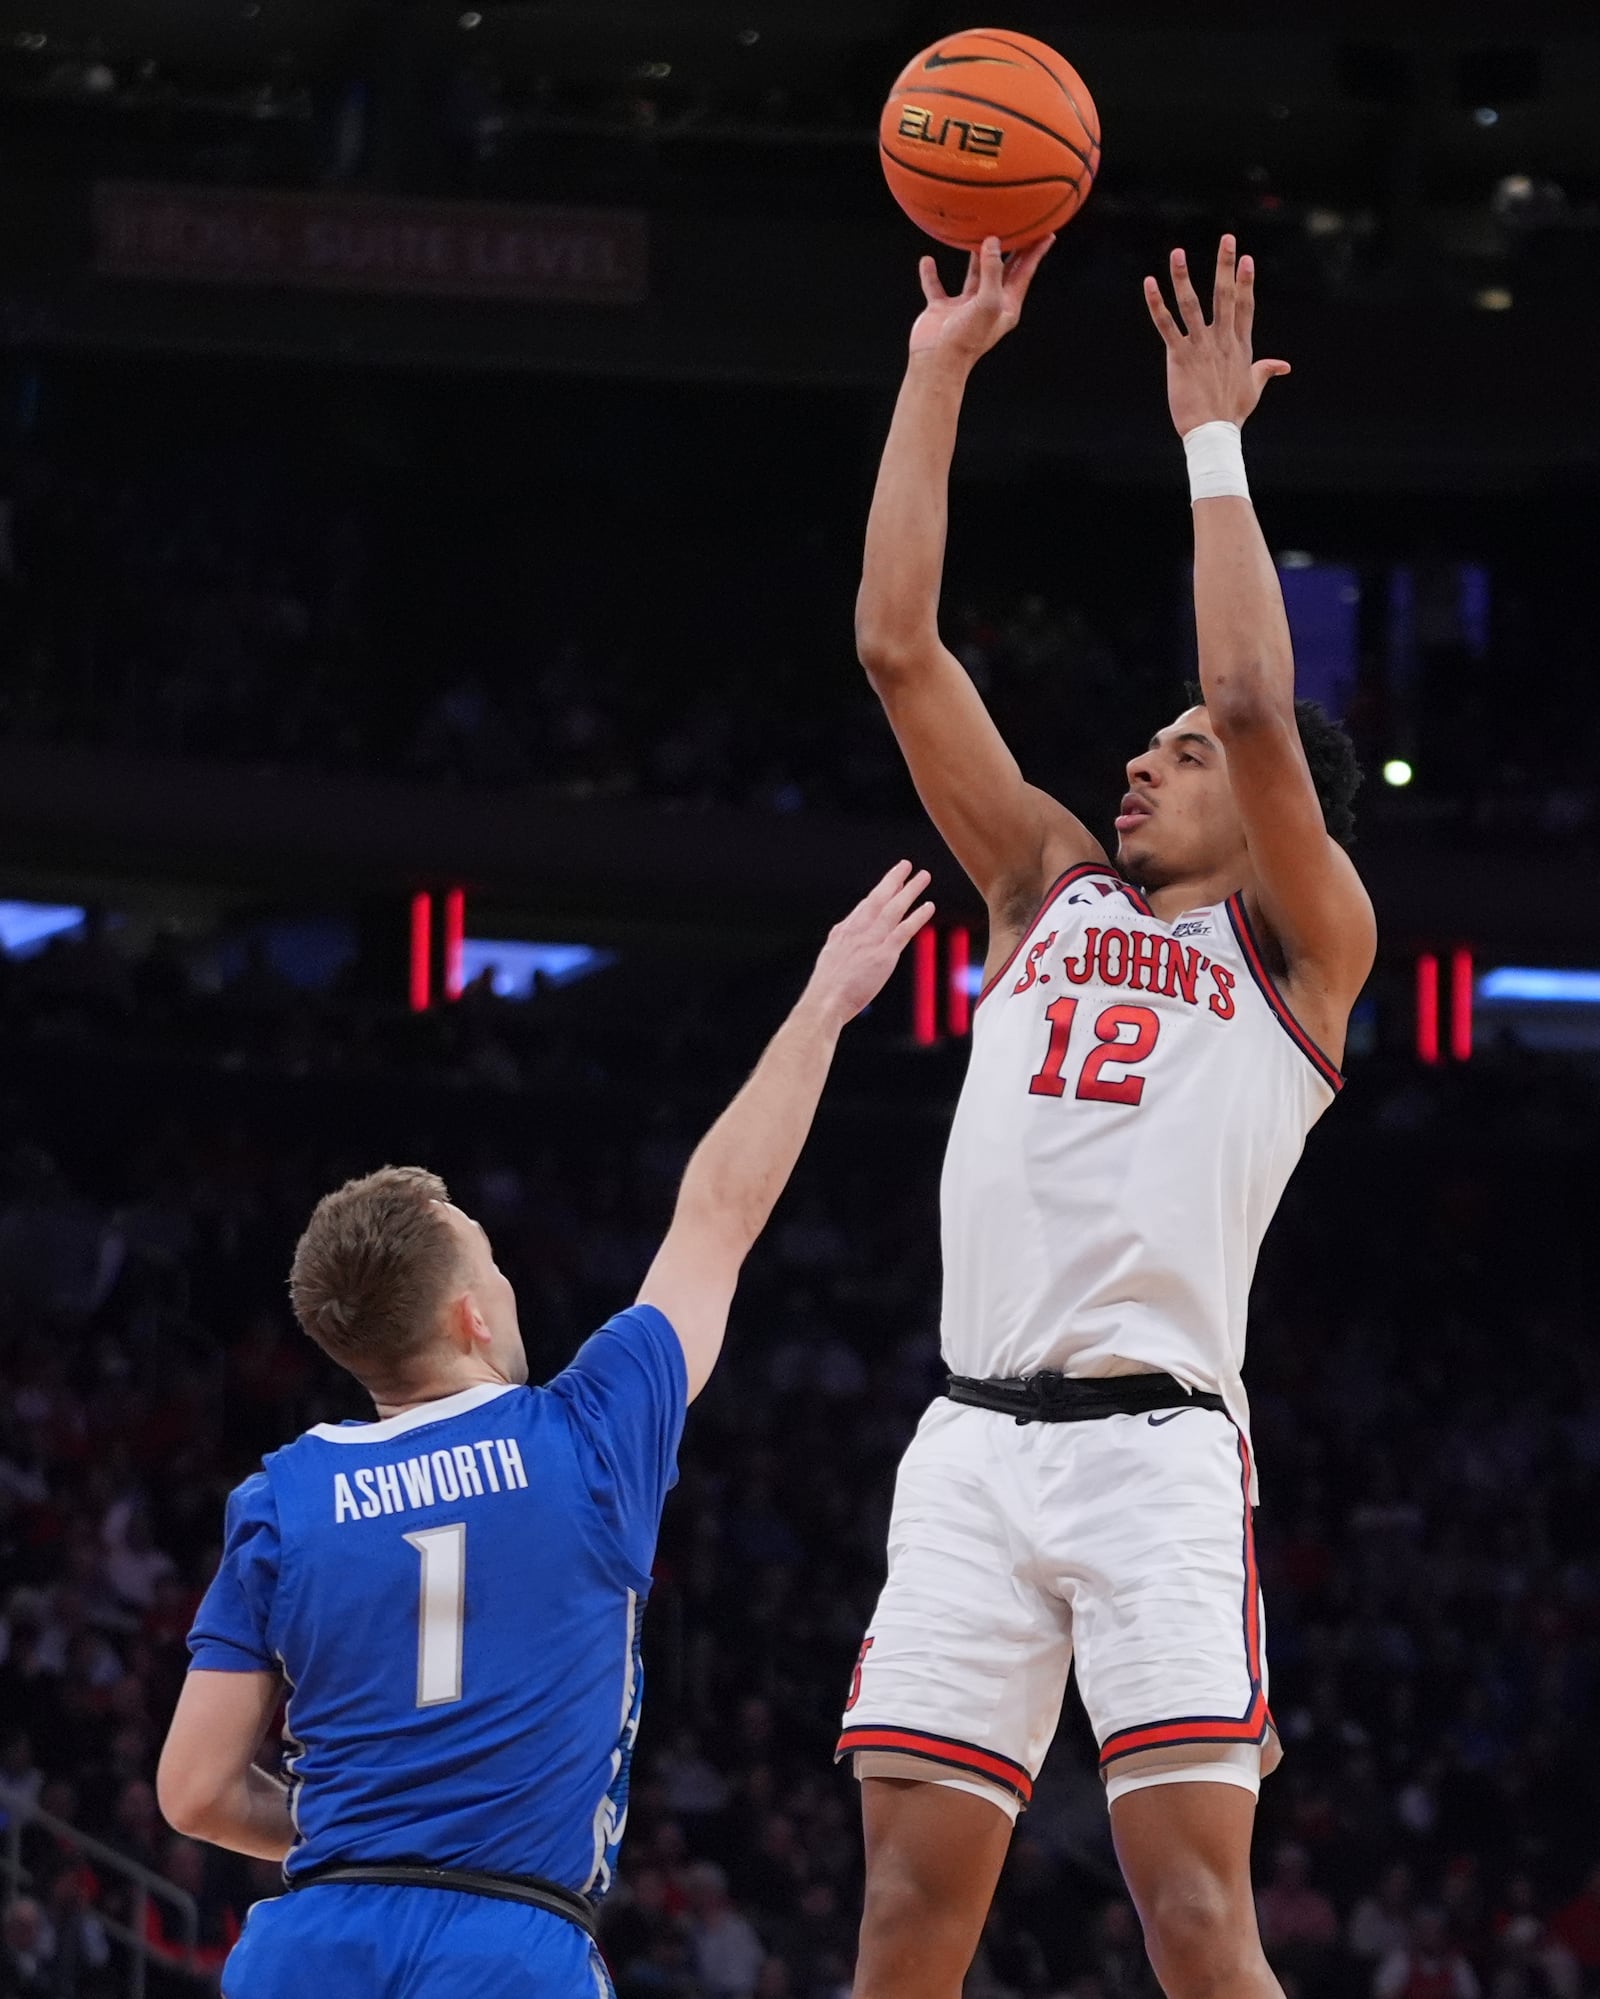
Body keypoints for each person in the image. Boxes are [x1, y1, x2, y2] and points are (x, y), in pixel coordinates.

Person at [839, 231, 1376, 1999]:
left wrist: (1211, 441)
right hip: (972, 1439)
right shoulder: (1045, 886)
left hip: (1154, 1449)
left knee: (1196, 1916)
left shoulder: (1302, 944)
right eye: (1140, 746)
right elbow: (897, 645)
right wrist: (941, 367)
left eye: (1181, 755)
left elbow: (1246, 698)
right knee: (908, 1921)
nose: (1146, 759)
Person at [155, 863, 934, 1998]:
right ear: (473, 1313)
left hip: (306, 1941)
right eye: (495, 1260)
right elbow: (719, 1212)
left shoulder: (280, 1496)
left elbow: (191, 1790)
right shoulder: (587, 1433)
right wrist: (824, 1002)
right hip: (505, 1942)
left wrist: (358, 1841)